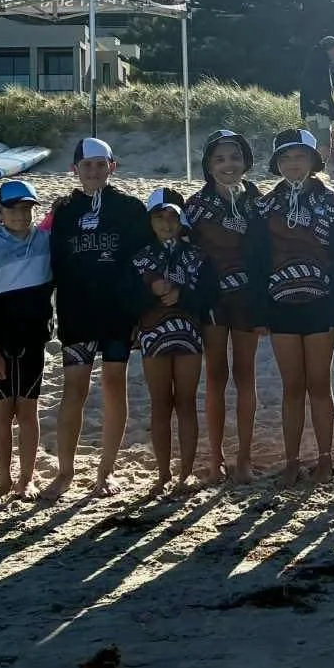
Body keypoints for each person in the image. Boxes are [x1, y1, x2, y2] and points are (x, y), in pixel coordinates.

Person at [44, 137, 151, 497]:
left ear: (112, 167)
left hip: (118, 314)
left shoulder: (130, 208)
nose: (93, 171)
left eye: (100, 164)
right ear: (74, 169)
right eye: (86, 165)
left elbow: (142, 262)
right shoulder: (62, 210)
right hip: (76, 313)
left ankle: (106, 471)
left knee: (113, 385)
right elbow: (50, 262)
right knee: (73, 389)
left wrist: (139, 313)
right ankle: (65, 471)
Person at [255, 128, 334, 483]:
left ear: (313, 161)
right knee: (292, 386)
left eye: (300, 156)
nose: (293, 163)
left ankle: (325, 459)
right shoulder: (265, 206)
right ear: (277, 163)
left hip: (321, 304)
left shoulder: (333, 202)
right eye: (285, 157)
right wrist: (261, 311)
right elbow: (259, 262)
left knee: (319, 383)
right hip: (280, 305)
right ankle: (292, 460)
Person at [181, 130, 265, 483]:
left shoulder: (258, 202)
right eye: (219, 159)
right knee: (215, 377)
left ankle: (243, 457)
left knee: (245, 376)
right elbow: (179, 251)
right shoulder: (194, 206)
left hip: (248, 301)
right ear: (208, 166)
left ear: (245, 161)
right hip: (211, 302)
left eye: (234, 157)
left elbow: (267, 255)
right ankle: (214, 458)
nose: (228, 164)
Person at [0, 177, 56, 499]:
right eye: (12, 208)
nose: (19, 214)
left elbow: (55, 226)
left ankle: (27, 479)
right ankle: (4, 479)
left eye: (26, 208)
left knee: (29, 411)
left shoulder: (45, 242)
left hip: (33, 341)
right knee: (2, 412)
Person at [130, 188, 214, 493]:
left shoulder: (197, 255)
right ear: (150, 221)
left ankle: (186, 472)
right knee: (160, 403)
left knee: (187, 402)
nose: (166, 223)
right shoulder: (140, 257)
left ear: (182, 221)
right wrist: (150, 292)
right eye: (159, 216)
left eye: (172, 217)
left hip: (189, 335)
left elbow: (207, 297)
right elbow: (131, 299)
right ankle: (163, 473)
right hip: (153, 336)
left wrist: (182, 294)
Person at [300, 34, 334, 125]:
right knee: (322, 139)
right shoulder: (320, 64)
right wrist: (331, 109)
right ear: (331, 49)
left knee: (318, 138)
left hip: (312, 111)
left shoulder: (315, 61)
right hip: (319, 112)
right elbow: (324, 91)